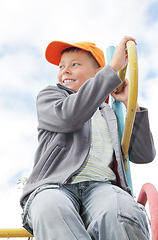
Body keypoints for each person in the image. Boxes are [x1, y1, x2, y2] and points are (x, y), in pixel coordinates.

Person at [20, 36, 156, 240]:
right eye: (61, 66)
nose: (65, 70)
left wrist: (131, 105)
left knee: (122, 212)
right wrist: (114, 69)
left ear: (98, 73)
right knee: (50, 208)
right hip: (55, 185)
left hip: (101, 187)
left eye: (75, 64)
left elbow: (143, 154)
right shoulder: (51, 97)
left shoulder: (110, 113)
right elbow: (70, 117)